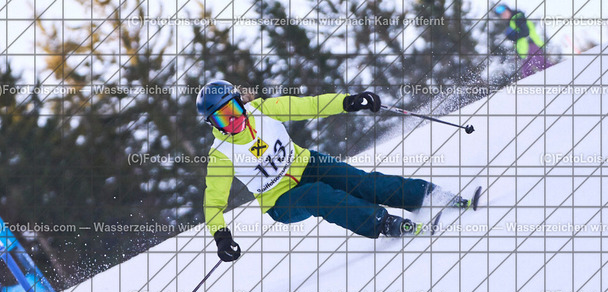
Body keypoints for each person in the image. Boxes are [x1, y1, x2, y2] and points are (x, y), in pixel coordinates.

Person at [197, 81, 472, 262]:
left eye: (233, 110)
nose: (232, 121)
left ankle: (429, 196)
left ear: (241, 103)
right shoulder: (221, 154)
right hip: (280, 200)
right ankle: (384, 223)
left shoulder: (263, 110)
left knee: (363, 183)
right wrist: (222, 237)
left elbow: (310, 105)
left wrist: (349, 102)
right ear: (213, 124)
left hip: (308, 165)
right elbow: (213, 202)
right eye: (222, 118)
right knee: (317, 195)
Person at [495, 3, 552, 78]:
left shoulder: (517, 17)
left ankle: (556, 75)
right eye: (502, 15)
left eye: (505, 12)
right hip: (525, 49)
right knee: (528, 71)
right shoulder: (512, 22)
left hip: (530, 45)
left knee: (540, 66)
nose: (504, 15)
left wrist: (512, 36)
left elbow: (525, 32)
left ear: (509, 10)